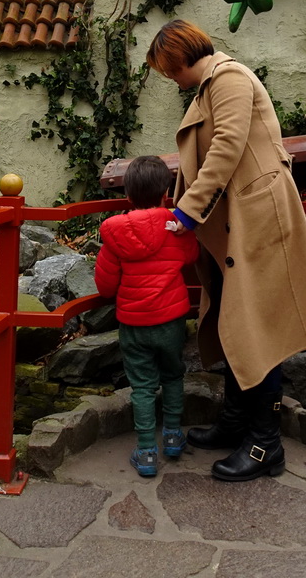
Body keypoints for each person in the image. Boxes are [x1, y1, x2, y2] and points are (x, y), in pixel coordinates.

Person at [146, 19, 306, 482]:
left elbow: (227, 146)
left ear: (182, 56)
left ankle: (265, 443)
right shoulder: (210, 87)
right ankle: (235, 421)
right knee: (237, 318)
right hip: (237, 220)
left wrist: (188, 210)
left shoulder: (228, 78)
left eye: (169, 69)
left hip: (258, 218)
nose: (170, 78)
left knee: (259, 326)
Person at [95, 155, 199, 477]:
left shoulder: (114, 233)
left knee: (141, 386)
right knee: (172, 375)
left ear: (127, 196)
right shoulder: (175, 227)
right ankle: (171, 436)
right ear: (166, 194)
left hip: (134, 321)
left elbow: (105, 285)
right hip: (171, 320)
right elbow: (191, 255)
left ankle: (146, 451)